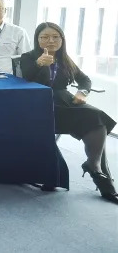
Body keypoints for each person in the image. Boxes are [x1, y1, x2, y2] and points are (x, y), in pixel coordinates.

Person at [18, 23, 116, 204]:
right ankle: (101, 177)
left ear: (62, 40)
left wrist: (82, 92)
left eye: (56, 37)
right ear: (37, 39)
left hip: (65, 100)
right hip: (39, 102)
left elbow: (84, 79)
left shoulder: (64, 59)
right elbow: (27, 77)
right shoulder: (28, 57)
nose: (51, 41)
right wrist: (39, 64)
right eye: (45, 37)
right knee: (95, 121)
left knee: (98, 117)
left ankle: (94, 165)